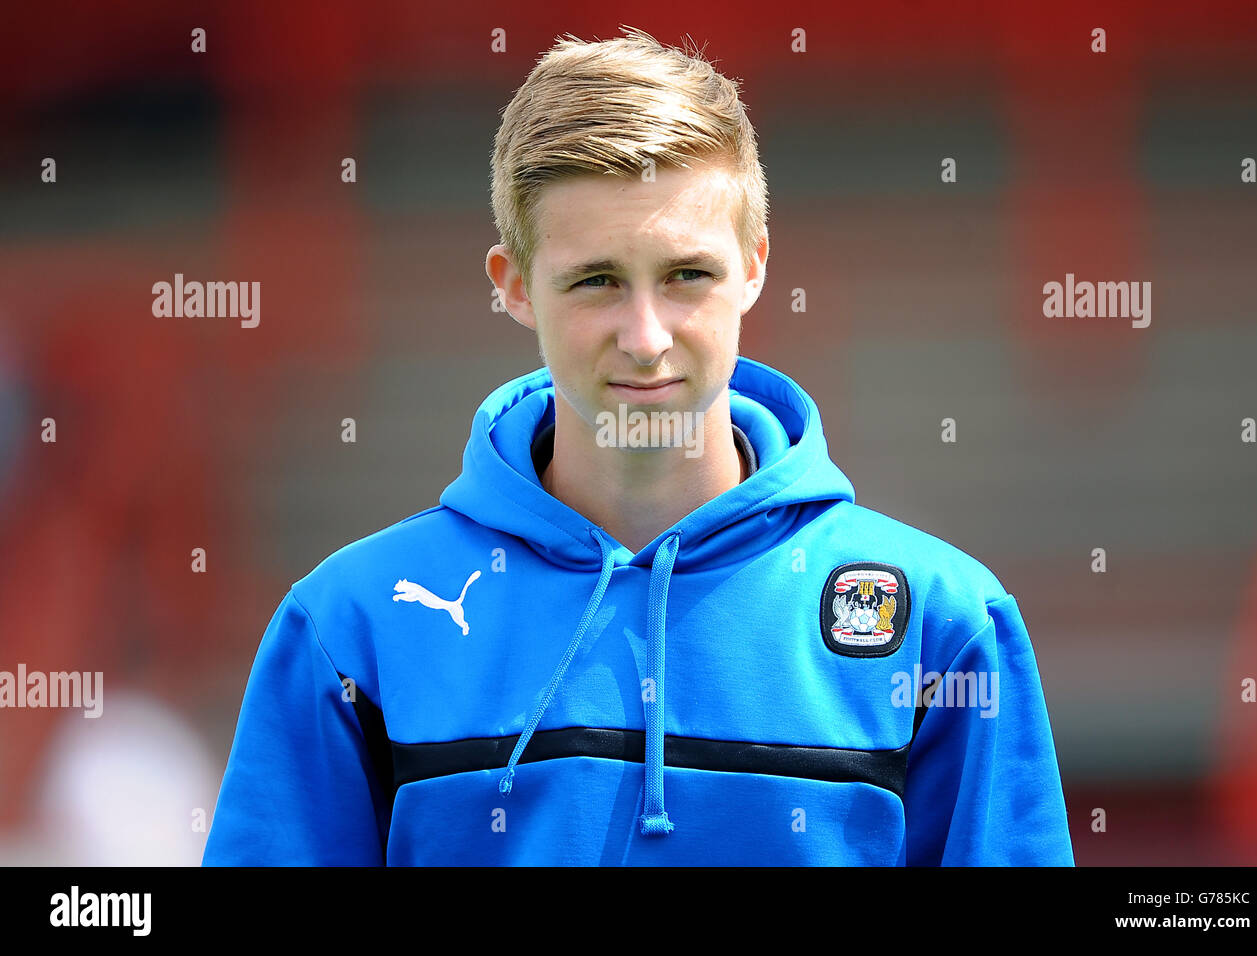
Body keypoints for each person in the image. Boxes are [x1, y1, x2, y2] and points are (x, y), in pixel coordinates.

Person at [203, 26, 1074, 866]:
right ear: (512, 286)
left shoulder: (941, 621)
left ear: (756, 265)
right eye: (597, 281)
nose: (647, 336)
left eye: (686, 275)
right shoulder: (352, 627)